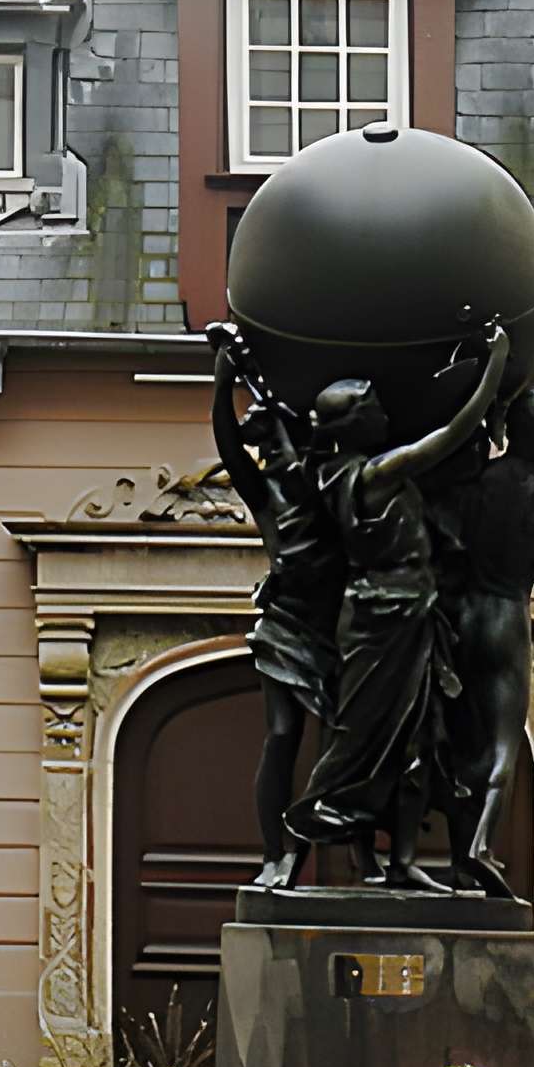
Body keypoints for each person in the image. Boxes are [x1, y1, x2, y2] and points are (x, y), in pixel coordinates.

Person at [287, 324, 507, 889]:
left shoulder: (326, 473)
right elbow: (452, 434)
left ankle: (399, 863)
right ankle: (306, 828)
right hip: (388, 616)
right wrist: (494, 368)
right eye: (376, 408)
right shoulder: (375, 473)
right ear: (355, 425)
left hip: (402, 613)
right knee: (365, 736)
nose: (386, 414)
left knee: (417, 734)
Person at [204, 326, 338, 889]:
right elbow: (227, 445)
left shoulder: (333, 490)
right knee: (282, 735)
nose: (273, 455)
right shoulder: (266, 497)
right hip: (284, 626)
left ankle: (313, 851)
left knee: (337, 747)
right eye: (268, 447)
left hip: (336, 630)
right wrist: (224, 380)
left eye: (281, 444)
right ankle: (274, 853)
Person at [433, 385, 534, 895]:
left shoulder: (474, 485)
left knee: (460, 737)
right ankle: (480, 843)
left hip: (460, 614)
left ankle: (459, 854)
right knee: (502, 742)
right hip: (506, 614)